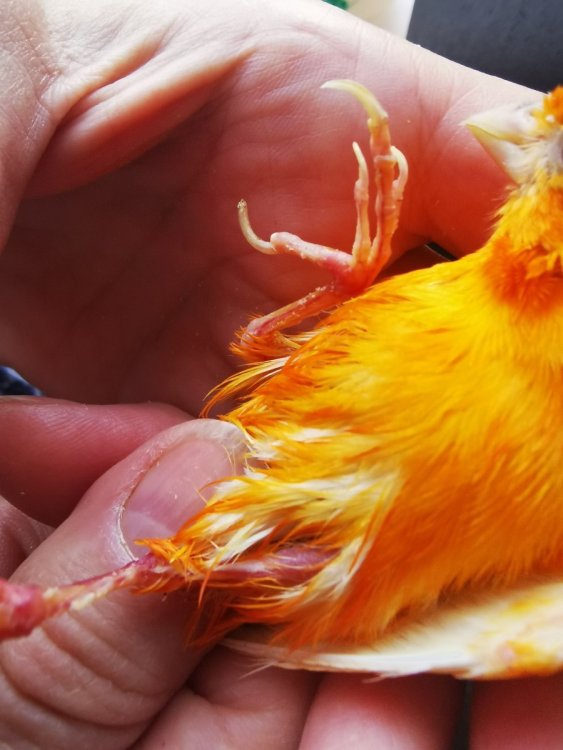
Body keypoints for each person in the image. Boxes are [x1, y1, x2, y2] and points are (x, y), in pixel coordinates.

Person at [0, 0, 557, 747]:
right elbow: (257, 348)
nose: (522, 134)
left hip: (276, 538)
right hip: (239, 414)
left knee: (185, 566)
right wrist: (343, 288)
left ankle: (109, 586)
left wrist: (78, 606)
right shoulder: (488, 283)